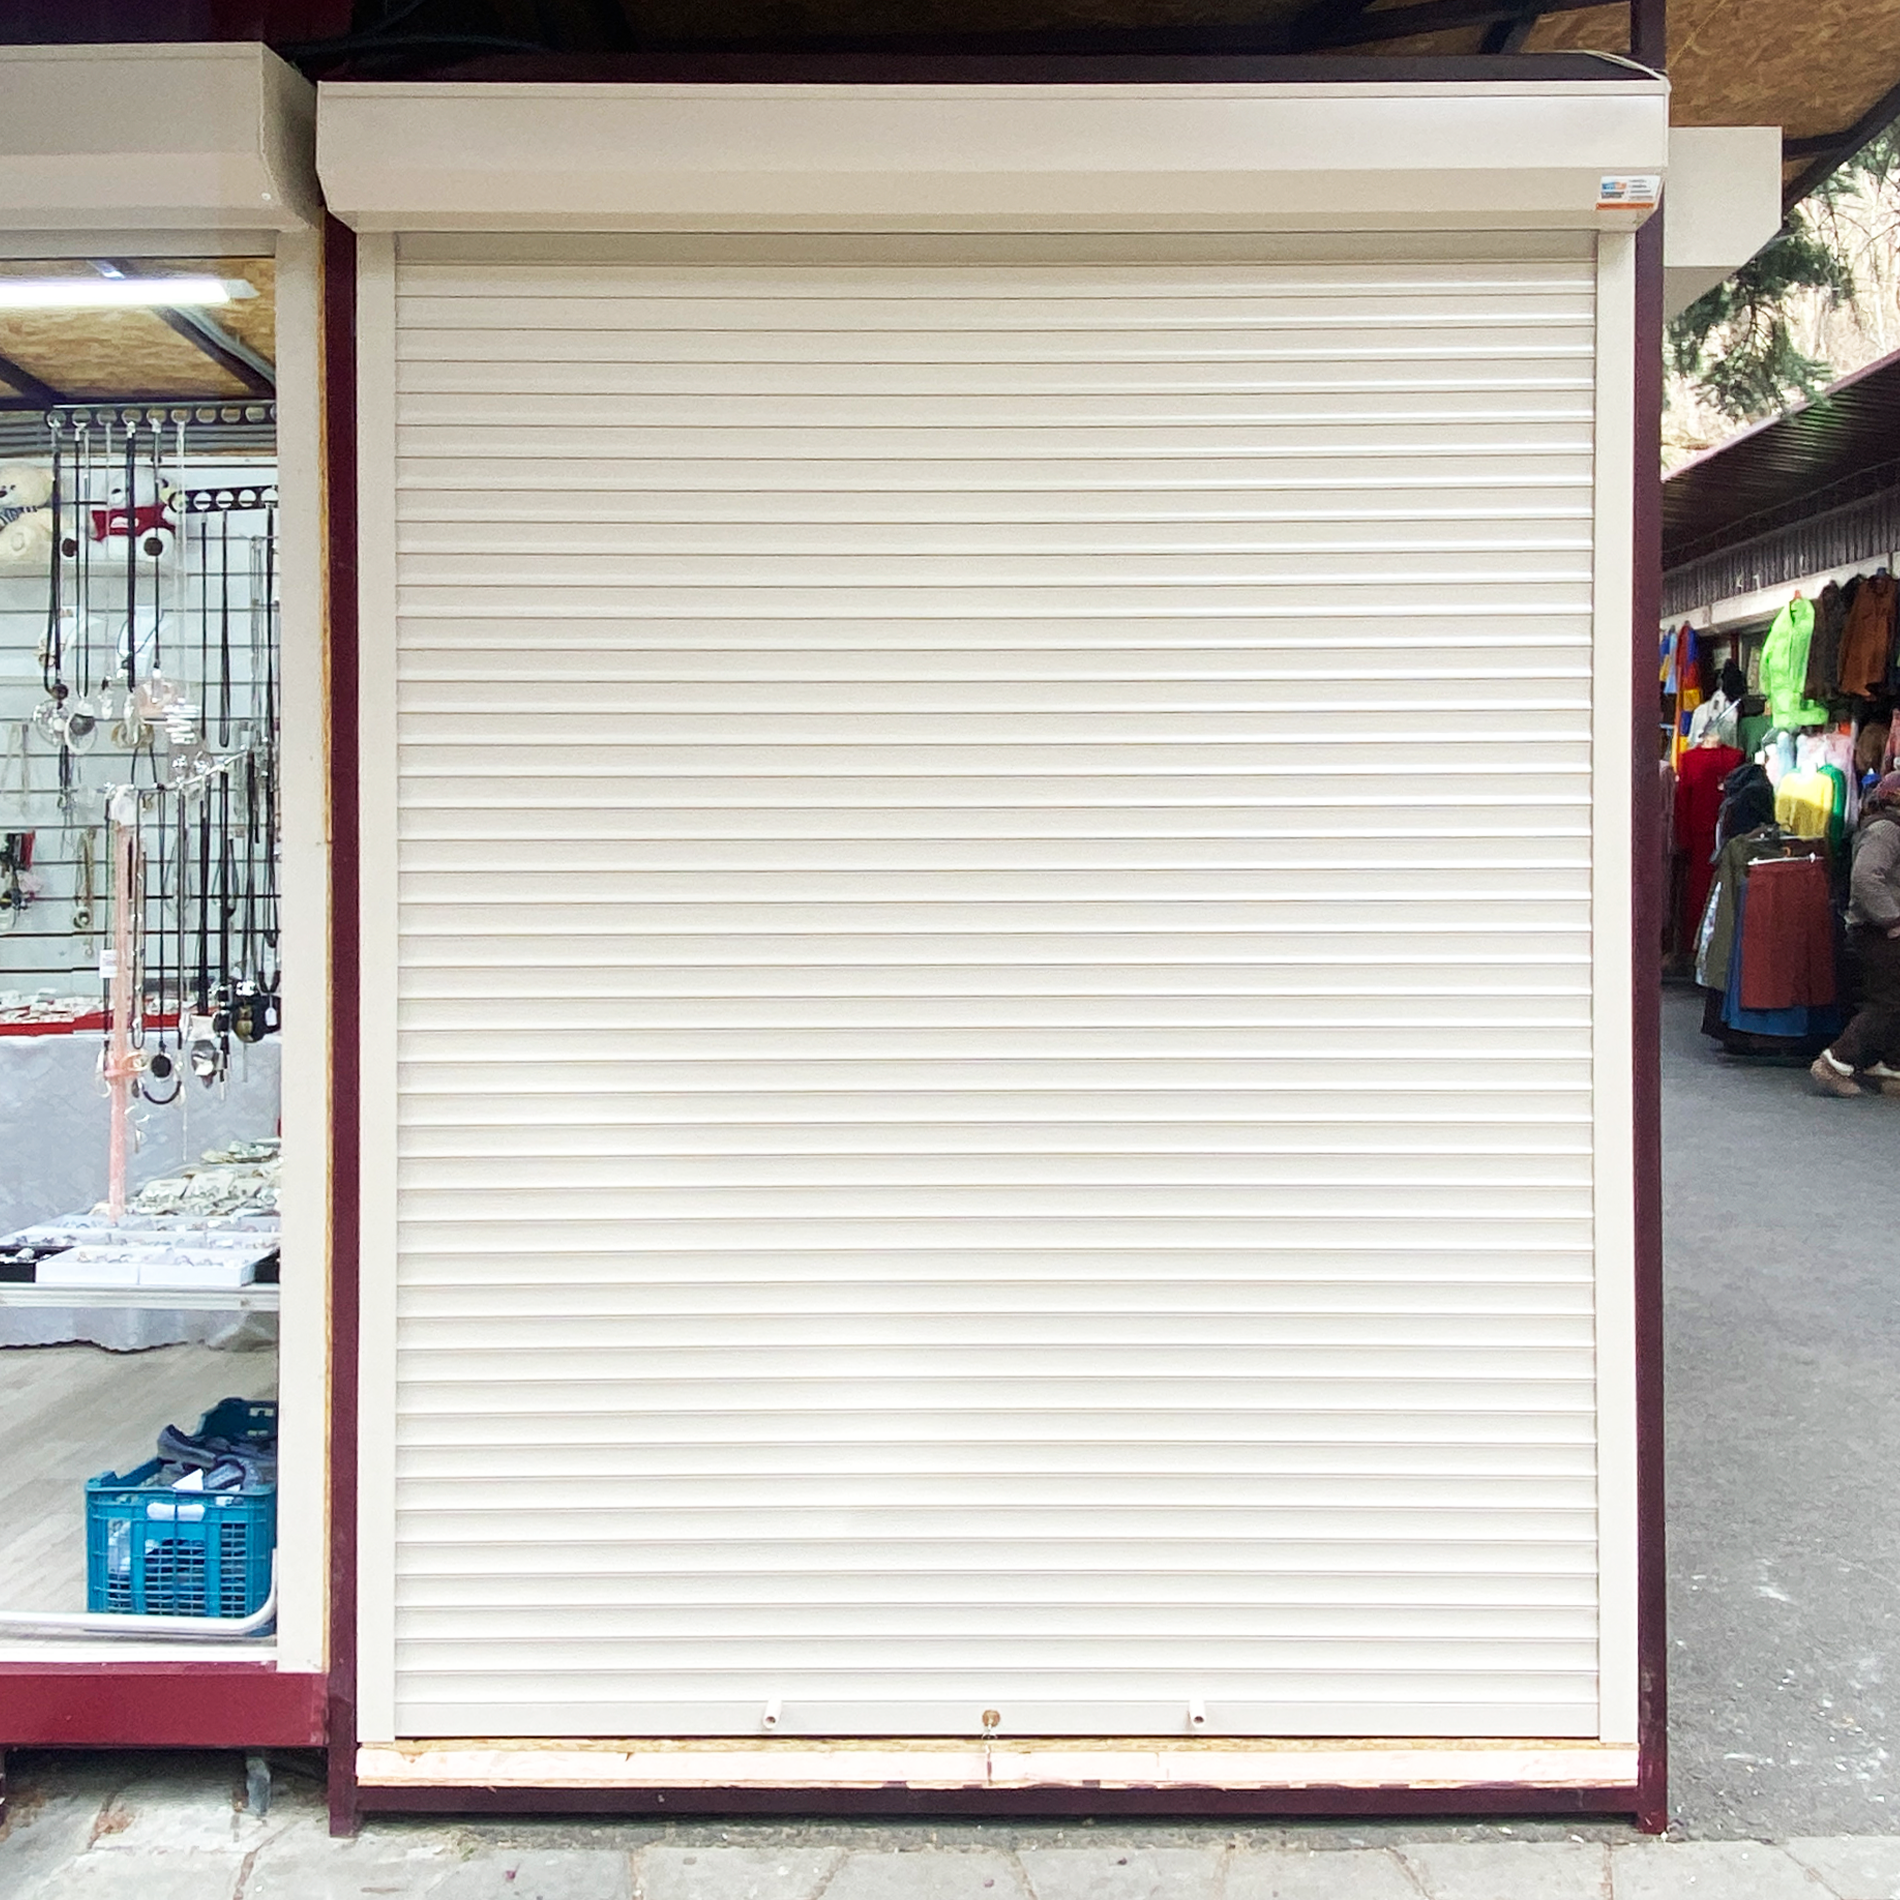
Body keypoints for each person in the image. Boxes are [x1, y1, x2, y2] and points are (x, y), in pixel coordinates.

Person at [1811, 772, 1900, 1097]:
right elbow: (1865, 877)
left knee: (1892, 1002)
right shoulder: (1886, 830)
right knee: (1888, 1003)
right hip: (1879, 932)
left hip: (1882, 929)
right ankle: (1836, 1062)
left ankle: (1890, 1066)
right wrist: (1892, 919)